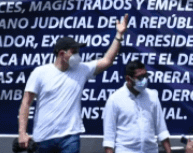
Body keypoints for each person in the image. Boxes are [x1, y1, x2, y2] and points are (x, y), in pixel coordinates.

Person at [17, 17, 131, 153]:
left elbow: (107, 60)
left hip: (70, 137)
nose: (78, 55)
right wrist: (22, 133)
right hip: (43, 138)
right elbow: (26, 103)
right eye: (74, 51)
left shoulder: (81, 69)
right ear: (61, 53)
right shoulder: (40, 72)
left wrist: (119, 35)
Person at [102, 61, 171, 153]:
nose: (144, 80)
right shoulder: (115, 100)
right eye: (140, 77)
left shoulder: (152, 96)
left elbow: (161, 129)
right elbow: (109, 139)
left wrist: (168, 151)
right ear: (128, 79)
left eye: (146, 76)